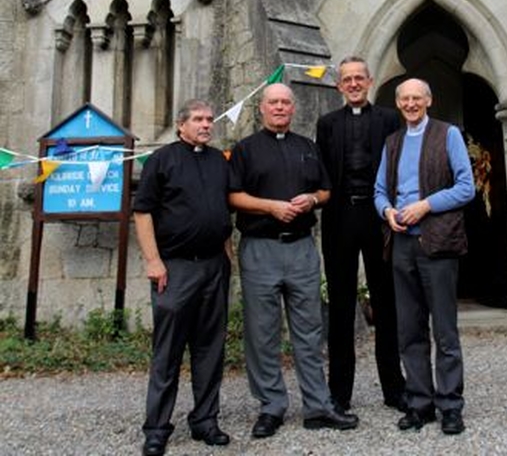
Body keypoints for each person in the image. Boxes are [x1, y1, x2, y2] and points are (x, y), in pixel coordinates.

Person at [228, 82, 358, 439]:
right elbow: (234, 195)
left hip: (301, 248)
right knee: (262, 332)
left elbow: (326, 190)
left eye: (286, 103)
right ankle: (271, 406)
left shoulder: (308, 148)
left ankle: (317, 405)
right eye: (274, 103)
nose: (281, 108)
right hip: (260, 248)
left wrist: (311, 201)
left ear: (293, 109)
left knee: (310, 329)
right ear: (262, 109)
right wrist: (270, 206)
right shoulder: (245, 150)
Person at [374, 78, 475, 436]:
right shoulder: (393, 142)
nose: (411, 104)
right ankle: (420, 403)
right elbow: (379, 191)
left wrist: (425, 206)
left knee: (444, 330)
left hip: (438, 243)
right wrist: (387, 211)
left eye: (417, 98)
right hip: (401, 245)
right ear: (398, 103)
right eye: (404, 99)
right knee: (409, 330)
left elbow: (466, 187)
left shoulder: (448, 135)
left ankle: (450, 405)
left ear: (429, 101)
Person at [133, 100, 232, 456]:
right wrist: (153, 261)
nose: (206, 125)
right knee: (168, 351)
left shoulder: (219, 161)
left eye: (209, 120)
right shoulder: (161, 160)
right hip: (174, 269)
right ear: (181, 125)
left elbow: (220, 211)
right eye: (198, 120)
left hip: (213, 267)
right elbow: (142, 213)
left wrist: (227, 256)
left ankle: (205, 420)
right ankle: (157, 428)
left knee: (210, 349)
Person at [316, 56, 405, 413]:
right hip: (340, 217)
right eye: (346, 79)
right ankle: (339, 392)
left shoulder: (388, 119)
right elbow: (321, 171)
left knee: (386, 303)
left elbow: (397, 165)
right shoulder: (326, 124)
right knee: (340, 306)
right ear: (339, 86)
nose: (353, 84)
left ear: (369, 82)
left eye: (359, 78)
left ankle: (394, 389)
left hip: (378, 215)